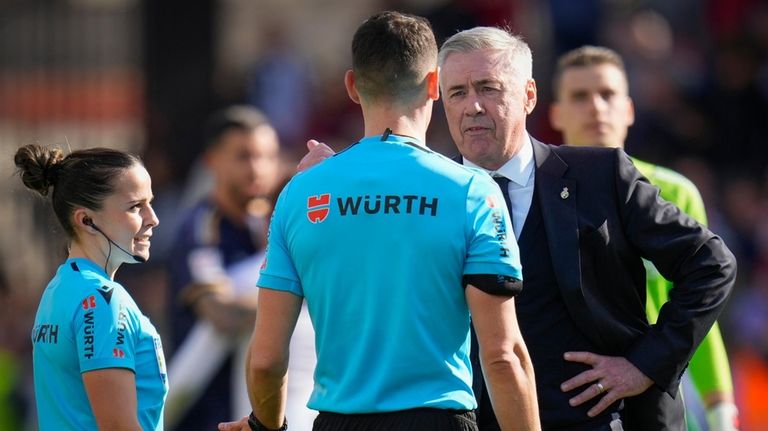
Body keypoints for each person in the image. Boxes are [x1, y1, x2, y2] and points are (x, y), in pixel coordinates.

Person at [297, 26, 737, 431]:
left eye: (488, 88)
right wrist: (320, 180)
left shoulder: (601, 175)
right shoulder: (430, 195)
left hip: (603, 421)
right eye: (457, 92)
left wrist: (643, 366)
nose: (472, 106)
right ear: (437, 100)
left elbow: (711, 265)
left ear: (529, 95)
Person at [219, 11, 539, 431]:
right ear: (433, 84)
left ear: (352, 86)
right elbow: (502, 357)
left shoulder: (300, 193)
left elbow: (265, 360)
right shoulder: (473, 192)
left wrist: (266, 424)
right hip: (438, 421)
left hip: (338, 422)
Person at [548, 45, 739, 431]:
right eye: (580, 96)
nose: (596, 107)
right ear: (555, 113)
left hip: (656, 396)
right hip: (569, 395)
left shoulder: (673, 192)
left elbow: (702, 304)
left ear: (629, 108)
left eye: (608, 94)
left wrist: (720, 409)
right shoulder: (538, 191)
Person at [165, 106, 309, 430]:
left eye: (267, 156)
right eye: (244, 156)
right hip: (205, 412)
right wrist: (291, 301)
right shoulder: (202, 228)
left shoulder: (265, 225)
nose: (257, 168)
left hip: (249, 410)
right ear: (212, 160)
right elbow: (220, 314)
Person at [14, 144, 165, 430]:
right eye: (136, 206)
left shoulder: (58, 288)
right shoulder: (103, 300)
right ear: (86, 220)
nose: (153, 218)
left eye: (150, 203)